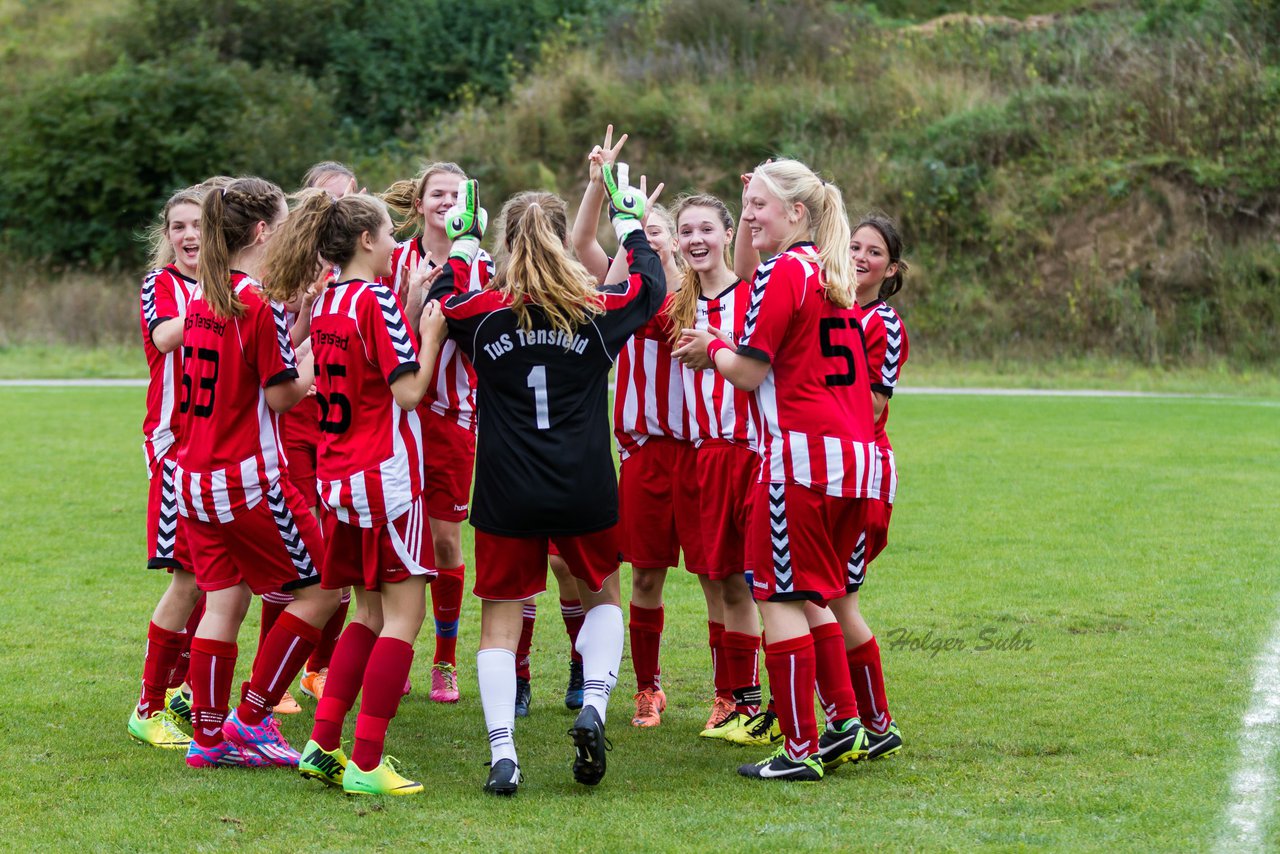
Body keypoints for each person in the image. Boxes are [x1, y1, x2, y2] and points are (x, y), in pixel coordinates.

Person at [424, 164, 665, 795]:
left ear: (505, 242)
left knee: (500, 623)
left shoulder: (479, 314)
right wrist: (632, 223)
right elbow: (650, 287)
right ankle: (593, 707)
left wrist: (462, 246)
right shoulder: (594, 314)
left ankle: (504, 754)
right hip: (584, 484)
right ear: (561, 243)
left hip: (506, 489)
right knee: (602, 597)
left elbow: (441, 298)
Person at [675, 159, 876, 782]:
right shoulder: (823, 266)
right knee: (812, 591)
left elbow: (751, 370)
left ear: (796, 213)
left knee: (777, 594)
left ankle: (799, 748)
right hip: (849, 456)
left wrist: (711, 348)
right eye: (748, 203)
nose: (751, 214)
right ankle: (846, 721)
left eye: (759, 205)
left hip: (798, 455)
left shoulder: (783, 270)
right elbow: (745, 271)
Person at [260, 189, 449, 795]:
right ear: (366, 242)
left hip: (340, 477)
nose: (397, 244)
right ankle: (367, 762)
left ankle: (323, 743)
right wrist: (434, 332)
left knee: (368, 612)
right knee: (404, 616)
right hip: (387, 478)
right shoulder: (376, 301)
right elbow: (409, 393)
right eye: (390, 235)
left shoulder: (330, 303)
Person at [176, 177, 341, 769]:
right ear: (264, 231)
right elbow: (278, 396)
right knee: (326, 587)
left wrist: (301, 330)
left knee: (224, 600)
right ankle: (251, 719)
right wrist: (317, 367)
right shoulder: (255, 304)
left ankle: (209, 738)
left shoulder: (206, 296)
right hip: (246, 480)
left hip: (193, 478)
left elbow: (252, 363)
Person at [570, 127, 702, 730]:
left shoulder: (694, 295)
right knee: (645, 575)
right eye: (637, 233)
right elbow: (580, 241)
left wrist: (661, 249)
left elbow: (680, 303)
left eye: (656, 230)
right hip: (645, 454)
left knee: (717, 575)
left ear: (672, 242)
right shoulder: (619, 292)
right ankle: (648, 688)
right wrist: (600, 186)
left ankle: (739, 692)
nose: (643, 240)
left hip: (700, 452)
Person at [664, 193, 775, 743]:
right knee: (723, 582)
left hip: (752, 453)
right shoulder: (679, 306)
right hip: (706, 455)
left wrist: (755, 205)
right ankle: (739, 705)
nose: (696, 239)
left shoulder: (753, 293)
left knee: (757, 586)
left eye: (707, 228)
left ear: (730, 234)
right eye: (686, 231)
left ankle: (766, 708)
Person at [381, 162, 491, 703]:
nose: (447, 203)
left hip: (453, 417)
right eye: (437, 194)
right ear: (420, 204)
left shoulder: (484, 264)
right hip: (399, 417)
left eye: (457, 195)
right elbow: (380, 333)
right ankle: (393, 653)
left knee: (446, 541)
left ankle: (444, 661)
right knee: (396, 541)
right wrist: (413, 298)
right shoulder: (393, 259)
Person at [127, 186, 206, 749]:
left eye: (198, 225)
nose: (188, 236)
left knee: (220, 580)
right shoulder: (164, 285)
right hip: (176, 445)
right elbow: (164, 335)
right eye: (178, 227)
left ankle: (182, 692)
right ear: (166, 235)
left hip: (223, 448)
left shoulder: (229, 287)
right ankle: (148, 705)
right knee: (190, 575)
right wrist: (223, 295)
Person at [844, 214, 911, 759]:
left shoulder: (881, 323)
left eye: (873, 252)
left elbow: (870, 406)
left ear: (890, 269)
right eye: (854, 246)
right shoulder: (832, 308)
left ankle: (875, 722)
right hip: (828, 467)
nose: (861, 257)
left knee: (839, 598)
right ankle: (853, 718)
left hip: (862, 472)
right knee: (821, 595)